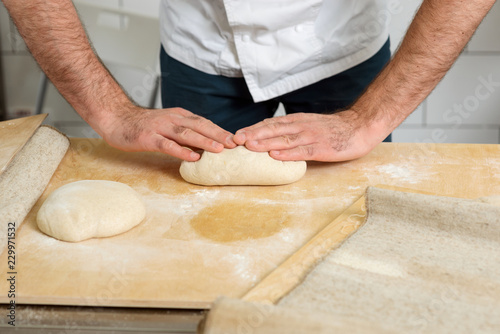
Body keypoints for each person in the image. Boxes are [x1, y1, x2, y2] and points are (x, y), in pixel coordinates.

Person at [2, 0, 495, 163]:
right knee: (203, 224)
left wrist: (369, 120)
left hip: (341, 43)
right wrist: (113, 112)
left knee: (353, 225)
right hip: (203, 43)